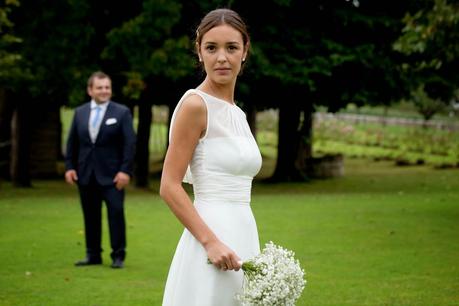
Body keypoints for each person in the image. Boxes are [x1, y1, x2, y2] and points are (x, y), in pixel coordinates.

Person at [160, 8, 262, 306]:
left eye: (231, 47)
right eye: (211, 47)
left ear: (244, 51)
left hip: (244, 227)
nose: (222, 57)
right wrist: (211, 242)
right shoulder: (195, 105)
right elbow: (169, 185)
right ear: (199, 51)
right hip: (210, 235)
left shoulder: (238, 114)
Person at [64, 71, 136, 269]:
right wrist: (69, 167)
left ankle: (118, 255)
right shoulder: (80, 113)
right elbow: (72, 143)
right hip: (85, 175)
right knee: (90, 216)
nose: (104, 91)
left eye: (107, 87)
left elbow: (129, 144)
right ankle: (92, 254)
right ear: (90, 90)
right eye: (100, 87)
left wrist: (125, 171)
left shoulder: (122, 112)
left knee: (116, 214)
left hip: (113, 176)